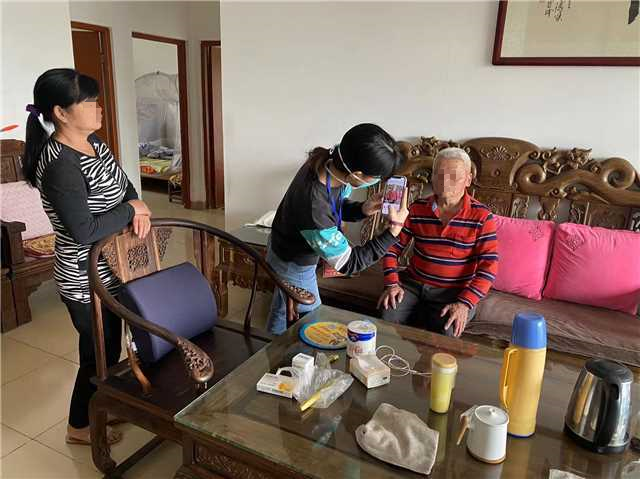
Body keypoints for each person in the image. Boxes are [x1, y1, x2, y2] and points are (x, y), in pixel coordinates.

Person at [22, 68, 152, 446]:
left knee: (110, 348)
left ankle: (102, 408)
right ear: (61, 113)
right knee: (97, 353)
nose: (99, 109)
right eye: (90, 103)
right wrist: (131, 211)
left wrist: (136, 205)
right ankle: (78, 426)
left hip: (114, 264)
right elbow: (83, 230)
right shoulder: (60, 163)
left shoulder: (94, 142)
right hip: (84, 275)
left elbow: (125, 186)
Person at [267, 123, 409, 334]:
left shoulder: (330, 163)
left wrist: (362, 209)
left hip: (286, 245)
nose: (378, 182)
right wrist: (393, 231)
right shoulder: (314, 207)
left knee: (283, 305)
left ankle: (271, 345)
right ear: (357, 174)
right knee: (312, 324)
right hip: (293, 262)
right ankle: (282, 348)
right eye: (376, 178)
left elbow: (334, 206)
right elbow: (349, 263)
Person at [378, 147, 498, 337]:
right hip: (413, 284)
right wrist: (392, 283)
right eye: (439, 175)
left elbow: (488, 267)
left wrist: (464, 303)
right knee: (388, 313)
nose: (445, 182)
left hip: (454, 292)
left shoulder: (482, 216)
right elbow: (391, 248)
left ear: (468, 179)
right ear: (432, 177)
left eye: (454, 176)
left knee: (449, 329)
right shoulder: (417, 209)